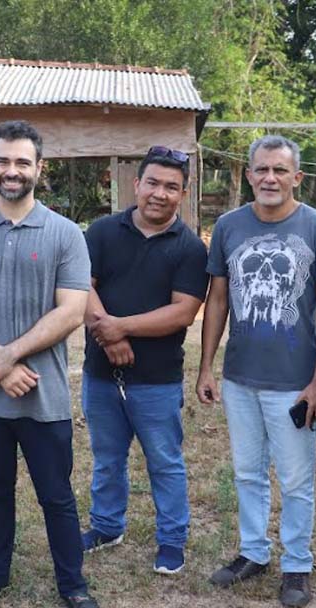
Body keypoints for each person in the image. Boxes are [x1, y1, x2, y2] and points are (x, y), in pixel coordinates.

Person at [0, 120, 101, 608]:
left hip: (44, 396)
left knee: (56, 495)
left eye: (22, 162)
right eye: (4, 161)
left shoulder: (65, 234)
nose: (12, 171)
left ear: (39, 169)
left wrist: (10, 355)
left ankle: (73, 585)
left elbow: (72, 311)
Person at [196, 135, 316, 607]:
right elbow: (217, 299)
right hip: (240, 378)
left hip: (295, 383)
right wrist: (206, 367)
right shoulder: (227, 226)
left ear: (297, 177)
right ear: (248, 175)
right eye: (261, 169)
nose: (270, 178)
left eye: (280, 170)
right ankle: (254, 553)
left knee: (297, 479)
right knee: (247, 472)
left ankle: (297, 564)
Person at [80, 146, 208, 575]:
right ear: (135, 185)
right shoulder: (101, 232)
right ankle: (106, 526)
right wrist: (108, 335)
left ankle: (172, 540)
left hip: (157, 379)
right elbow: (80, 286)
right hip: (100, 374)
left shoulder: (190, 248)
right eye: (152, 183)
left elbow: (182, 312)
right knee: (107, 457)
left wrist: (121, 327)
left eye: (171, 187)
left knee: (165, 462)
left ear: (183, 194)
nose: (159, 193)